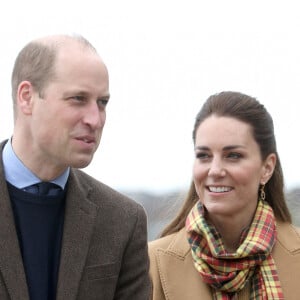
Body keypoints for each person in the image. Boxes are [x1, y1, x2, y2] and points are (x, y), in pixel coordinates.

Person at [0, 34, 150, 300]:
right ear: (27, 98)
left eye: (102, 102)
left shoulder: (123, 221)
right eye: (78, 99)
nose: (96, 119)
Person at [149, 91, 300, 299]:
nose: (215, 170)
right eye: (204, 155)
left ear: (266, 168)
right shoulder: (151, 262)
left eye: (233, 156)